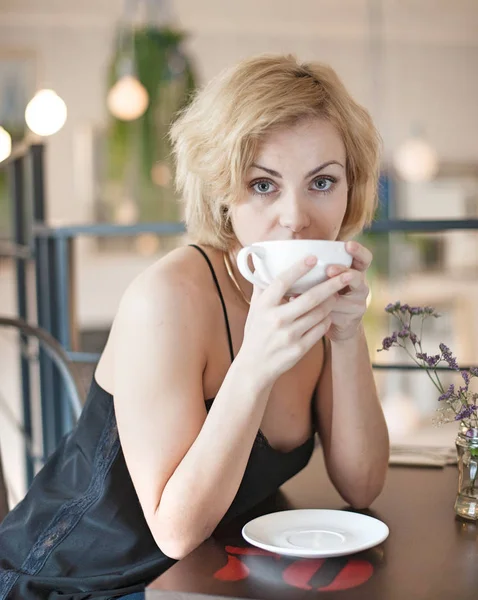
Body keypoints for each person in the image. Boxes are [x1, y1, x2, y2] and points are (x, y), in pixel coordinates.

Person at [0, 53, 389, 600]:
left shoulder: (314, 296)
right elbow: (176, 532)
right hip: (67, 582)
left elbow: (362, 483)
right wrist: (254, 365)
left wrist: (348, 337)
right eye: (262, 185)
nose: (296, 216)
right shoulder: (169, 299)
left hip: (201, 581)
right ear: (222, 193)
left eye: (322, 182)